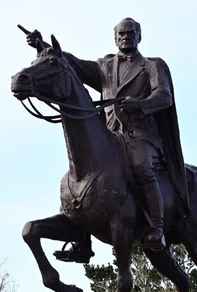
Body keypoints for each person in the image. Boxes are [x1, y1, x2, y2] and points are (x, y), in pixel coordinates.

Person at [25, 18, 188, 262]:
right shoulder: (104, 67)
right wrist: (42, 46)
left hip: (141, 136)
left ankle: (156, 227)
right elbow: (71, 64)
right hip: (112, 135)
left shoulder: (152, 66)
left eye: (131, 33)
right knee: (81, 176)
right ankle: (81, 241)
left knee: (141, 166)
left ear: (139, 36)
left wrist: (141, 105)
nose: (126, 37)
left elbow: (164, 96)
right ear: (115, 38)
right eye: (121, 33)